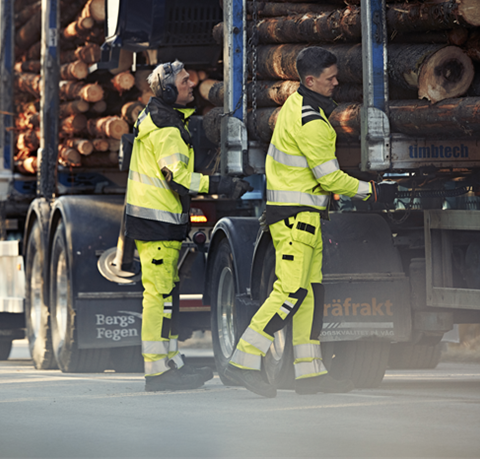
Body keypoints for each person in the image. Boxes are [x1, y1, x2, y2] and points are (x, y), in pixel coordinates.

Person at [223, 47, 396, 397]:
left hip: (304, 221)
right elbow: (330, 179)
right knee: (289, 294)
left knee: (309, 295)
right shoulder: (312, 122)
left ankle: (309, 371)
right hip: (295, 223)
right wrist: (372, 191)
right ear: (310, 80)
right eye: (330, 78)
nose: (336, 82)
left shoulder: (296, 106)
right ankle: (242, 361)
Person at [125, 60, 249, 392]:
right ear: (167, 90)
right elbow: (178, 177)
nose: (191, 85)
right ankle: (157, 371)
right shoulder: (165, 127)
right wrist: (220, 185)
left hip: (159, 221)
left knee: (168, 296)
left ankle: (172, 362)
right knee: (158, 296)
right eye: (183, 82)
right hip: (156, 222)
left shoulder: (159, 116)